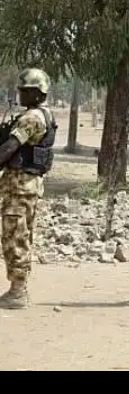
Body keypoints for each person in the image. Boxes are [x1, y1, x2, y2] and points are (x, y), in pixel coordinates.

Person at [0, 68, 57, 309]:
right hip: (26, 186)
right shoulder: (44, 114)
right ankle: (18, 288)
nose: (21, 94)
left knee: (15, 237)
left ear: (37, 92)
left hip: (20, 186)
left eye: (25, 91)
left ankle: (18, 292)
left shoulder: (32, 117)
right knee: (21, 235)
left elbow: (10, 148)